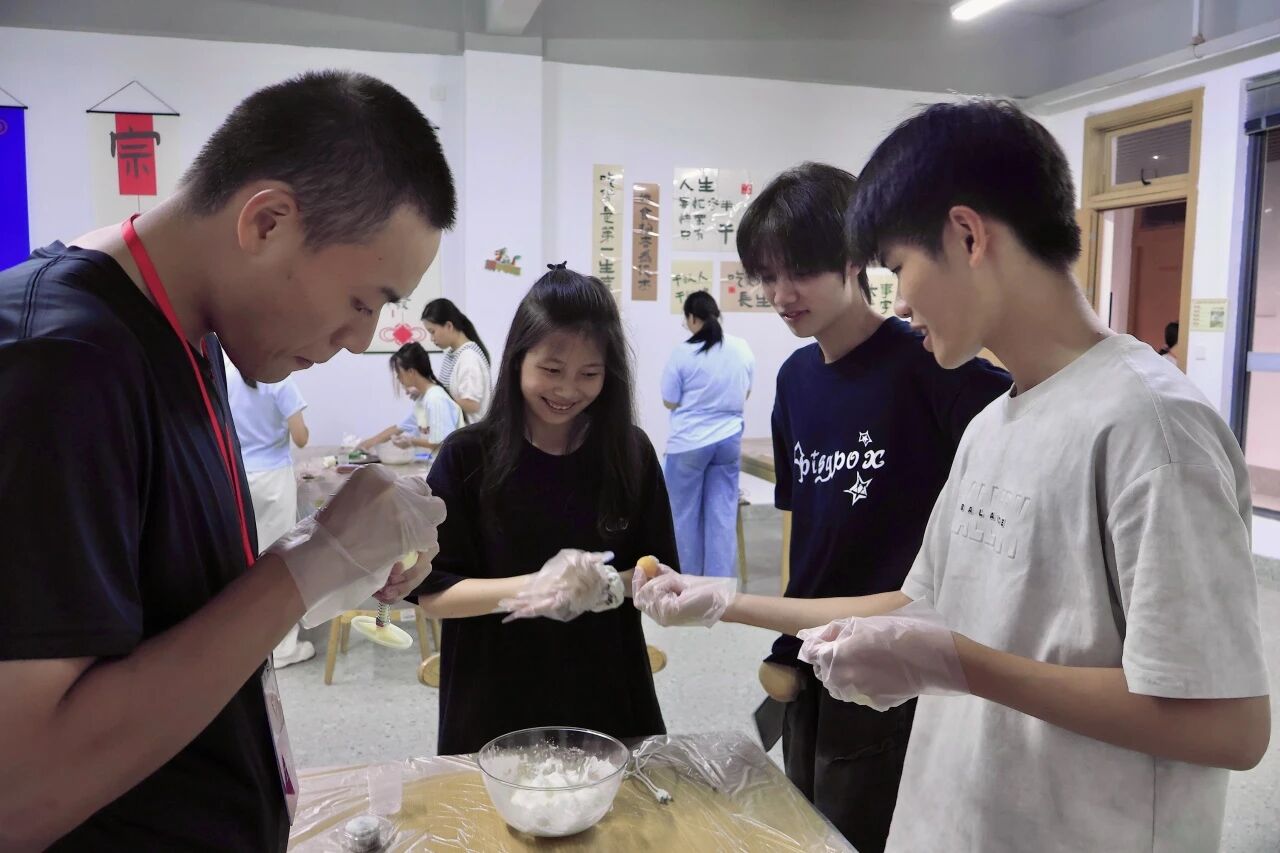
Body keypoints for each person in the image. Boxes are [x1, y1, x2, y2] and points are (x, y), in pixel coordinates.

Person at [635, 100, 1270, 853]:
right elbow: (919, 602)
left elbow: (1227, 726)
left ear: (968, 236)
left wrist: (957, 663)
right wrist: (729, 602)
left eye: (900, 267)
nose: (900, 302)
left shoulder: (1151, 427)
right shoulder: (991, 425)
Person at [0, 70, 454, 850]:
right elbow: (20, 789)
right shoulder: (61, 362)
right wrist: (315, 556)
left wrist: (344, 552)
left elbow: (176, 614)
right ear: (267, 222)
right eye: (362, 301)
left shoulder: (197, 331)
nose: (360, 339)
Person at [723, 162, 1010, 851]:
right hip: (813, 653)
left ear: (854, 259)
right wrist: (785, 640)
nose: (781, 295)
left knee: (866, 828)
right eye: (767, 277)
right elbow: (797, 524)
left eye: (800, 272)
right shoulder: (795, 378)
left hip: (892, 660)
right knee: (805, 821)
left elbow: (1024, 427)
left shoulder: (931, 364)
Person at [413, 264, 678, 755]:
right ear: (518, 359)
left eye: (589, 374)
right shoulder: (467, 457)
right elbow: (434, 594)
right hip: (494, 696)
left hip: (607, 689)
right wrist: (539, 587)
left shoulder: (630, 453)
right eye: (551, 371)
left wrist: (601, 584)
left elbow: (656, 572)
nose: (567, 390)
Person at [225, 356, 316, 668]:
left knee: (247, 562)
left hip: (240, 478)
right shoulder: (280, 381)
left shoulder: (228, 376)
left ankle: (247, 641)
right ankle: (283, 649)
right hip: (274, 479)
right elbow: (301, 438)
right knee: (279, 563)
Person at [660, 290, 755, 578]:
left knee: (682, 516)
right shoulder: (741, 348)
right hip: (728, 441)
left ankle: (684, 583)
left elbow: (669, 400)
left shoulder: (683, 352)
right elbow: (745, 392)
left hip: (688, 443)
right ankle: (719, 587)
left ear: (692, 318)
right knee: (722, 514)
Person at [358, 342, 463, 453]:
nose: (398, 378)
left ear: (411, 372)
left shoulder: (436, 399)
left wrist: (411, 441)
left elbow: (442, 442)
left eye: (398, 372)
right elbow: (398, 428)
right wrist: (366, 444)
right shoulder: (424, 399)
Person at [422, 297, 492, 423]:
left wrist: (437, 398)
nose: (432, 338)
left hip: (472, 432)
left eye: (433, 332)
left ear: (449, 326)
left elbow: (472, 404)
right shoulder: (453, 354)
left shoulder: (469, 357)